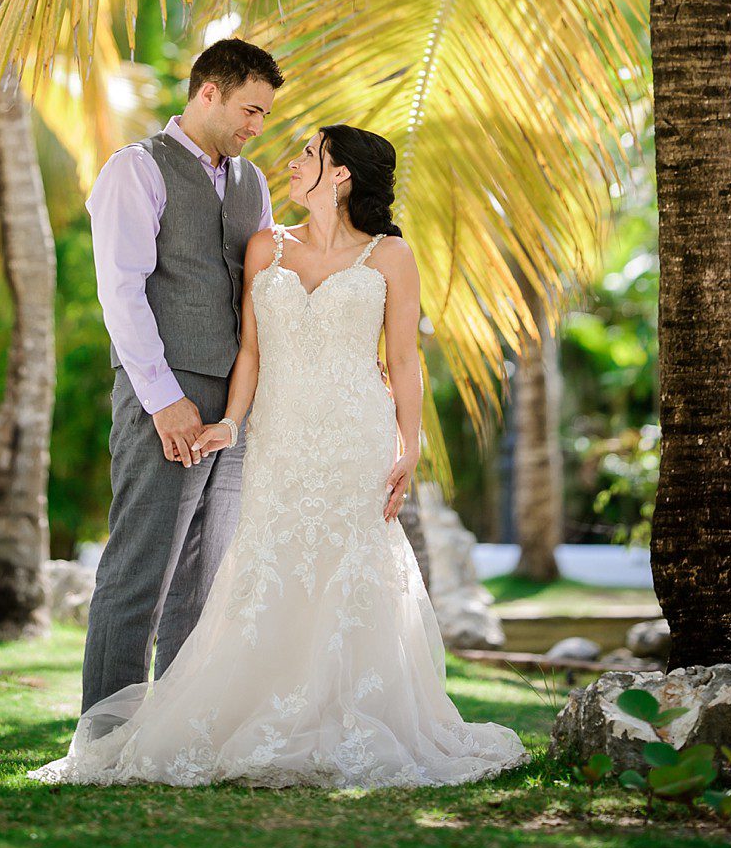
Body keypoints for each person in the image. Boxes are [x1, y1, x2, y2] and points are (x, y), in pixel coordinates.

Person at [30, 123, 527, 788]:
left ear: (341, 173)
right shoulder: (267, 245)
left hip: (356, 433)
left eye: (309, 154)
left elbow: (406, 361)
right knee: (271, 563)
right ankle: (261, 711)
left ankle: (348, 712)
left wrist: (410, 446)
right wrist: (231, 424)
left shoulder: (391, 255)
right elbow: (251, 352)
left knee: (349, 568)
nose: (292, 162)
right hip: (280, 432)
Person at [78, 37, 283, 716]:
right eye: (250, 110)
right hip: (166, 392)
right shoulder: (137, 169)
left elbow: (265, 289)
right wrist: (164, 399)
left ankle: (174, 733)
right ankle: (105, 734)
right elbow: (121, 292)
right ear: (208, 93)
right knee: (141, 568)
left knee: (204, 578)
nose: (257, 127)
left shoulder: (253, 183)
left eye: (265, 115)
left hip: (236, 404)